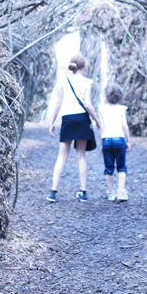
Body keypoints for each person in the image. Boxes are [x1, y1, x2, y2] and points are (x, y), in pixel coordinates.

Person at [47, 54, 100, 203]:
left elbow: (58, 103)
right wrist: (97, 121)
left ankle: (53, 192)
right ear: (84, 66)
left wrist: (51, 123)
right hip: (82, 118)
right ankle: (83, 192)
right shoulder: (87, 82)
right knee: (81, 156)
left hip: (68, 119)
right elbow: (88, 105)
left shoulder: (63, 81)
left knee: (61, 156)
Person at [98, 84, 131, 201]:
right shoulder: (122, 109)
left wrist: (101, 142)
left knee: (109, 168)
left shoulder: (102, 109)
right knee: (121, 167)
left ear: (107, 96)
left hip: (106, 139)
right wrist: (128, 141)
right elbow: (124, 125)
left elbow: (101, 127)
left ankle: (110, 193)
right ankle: (121, 192)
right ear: (120, 95)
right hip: (119, 139)